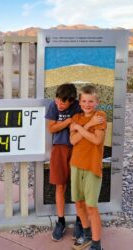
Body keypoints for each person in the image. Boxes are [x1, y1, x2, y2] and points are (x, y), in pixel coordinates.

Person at [45, 83, 103, 241]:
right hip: (60, 148)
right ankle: (61, 221)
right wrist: (70, 121)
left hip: (78, 150)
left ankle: (80, 221)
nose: (59, 104)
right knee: (60, 185)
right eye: (58, 100)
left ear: (72, 102)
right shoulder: (53, 105)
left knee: (80, 190)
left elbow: (82, 126)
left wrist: (78, 125)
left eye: (63, 102)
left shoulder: (80, 106)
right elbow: (51, 128)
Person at [70, 85, 107, 250]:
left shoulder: (100, 116)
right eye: (84, 101)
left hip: (92, 167)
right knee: (79, 203)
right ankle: (86, 235)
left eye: (90, 101)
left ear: (97, 102)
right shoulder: (76, 117)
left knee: (91, 206)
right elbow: (73, 141)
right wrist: (85, 125)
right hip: (76, 165)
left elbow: (97, 140)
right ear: (79, 102)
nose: (87, 104)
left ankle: (97, 244)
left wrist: (82, 127)